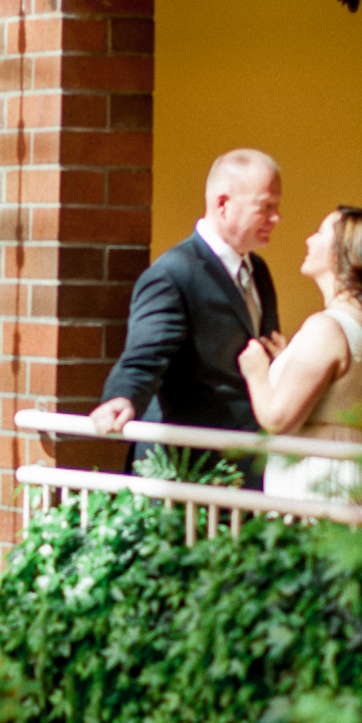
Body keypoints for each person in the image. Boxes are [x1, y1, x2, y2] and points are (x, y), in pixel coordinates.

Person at [91, 146, 285, 479]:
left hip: (242, 467)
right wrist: (121, 396)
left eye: (277, 208)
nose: (276, 218)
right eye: (265, 207)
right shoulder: (174, 274)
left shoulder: (259, 272)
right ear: (223, 204)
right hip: (185, 471)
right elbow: (146, 355)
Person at [239, 206, 362, 501]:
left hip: (322, 484)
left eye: (320, 232)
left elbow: (277, 419)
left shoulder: (326, 328)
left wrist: (257, 371)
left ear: (342, 252)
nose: (308, 240)